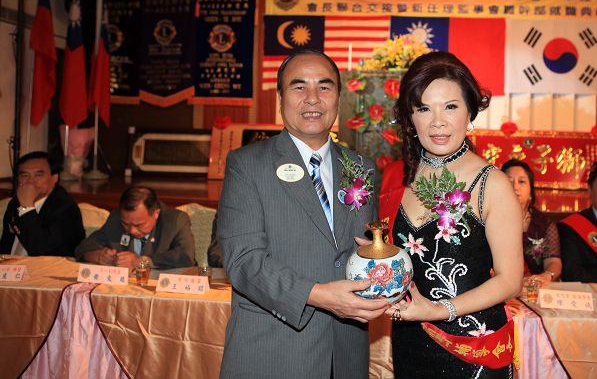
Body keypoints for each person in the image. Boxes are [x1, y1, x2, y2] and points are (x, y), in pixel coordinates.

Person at [216, 49, 390, 379]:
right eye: (299, 87)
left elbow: (361, 250)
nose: (313, 98)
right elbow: (243, 261)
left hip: (346, 354)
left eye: (324, 87)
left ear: (338, 97)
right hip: (274, 352)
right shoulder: (247, 165)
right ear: (280, 97)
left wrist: (380, 262)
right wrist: (318, 295)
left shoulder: (361, 168)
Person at [379, 51, 523, 378]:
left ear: (470, 111)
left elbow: (510, 280)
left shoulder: (492, 184)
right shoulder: (394, 179)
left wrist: (438, 309)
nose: (438, 122)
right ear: (410, 118)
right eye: (424, 109)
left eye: (450, 107)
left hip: (473, 349)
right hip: (409, 342)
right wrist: (374, 256)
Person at [75, 186, 196, 269]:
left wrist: (140, 261)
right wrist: (99, 256)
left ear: (156, 213)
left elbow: (186, 256)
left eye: (139, 225)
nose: (132, 231)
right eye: (126, 224)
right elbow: (83, 247)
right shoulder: (116, 218)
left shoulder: (175, 221)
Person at [0, 151, 85, 257]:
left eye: (38, 175)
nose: (31, 181)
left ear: (54, 178)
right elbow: (5, 246)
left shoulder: (65, 207)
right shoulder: (15, 203)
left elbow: (39, 249)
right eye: (25, 175)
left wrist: (26, 207)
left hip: (47, 266)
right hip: (10, 265)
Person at [501, 159, 562, 287]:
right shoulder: (490, 220)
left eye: (521, 181)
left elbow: (553, 261)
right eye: (509, 181)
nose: (515, 187)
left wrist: (547, 275)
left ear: (531, 192)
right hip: (501, 288)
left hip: (535, 287)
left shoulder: (543, 223)